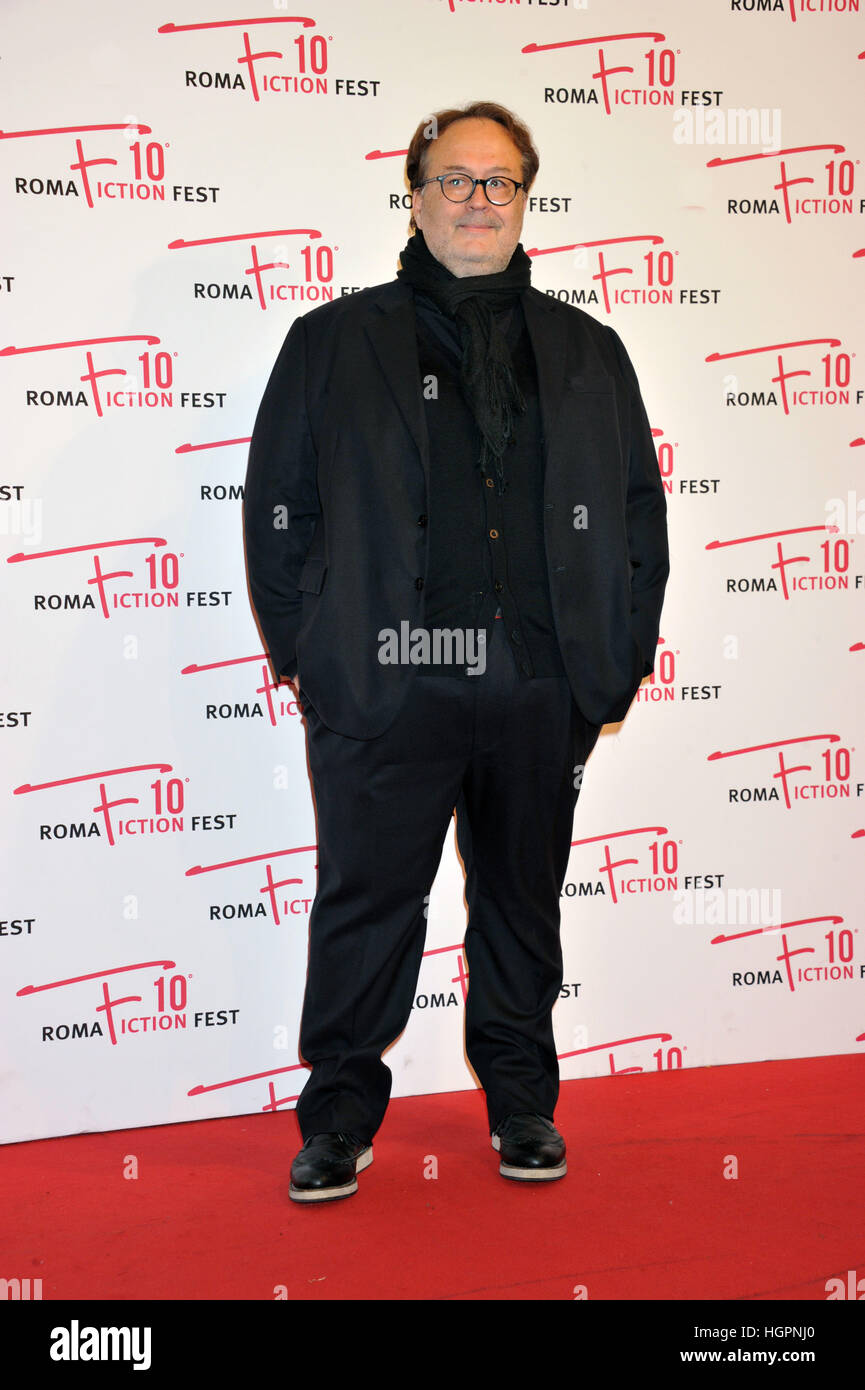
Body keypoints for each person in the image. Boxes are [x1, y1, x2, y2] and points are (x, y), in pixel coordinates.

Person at [243, 101, 669, 1203]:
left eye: (500, 182)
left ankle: (523, 1102)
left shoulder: (588, 350)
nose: (477, 201)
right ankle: (338, 1114)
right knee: (366, 902)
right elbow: (278, 507)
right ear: (416, 195)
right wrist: (311, 653)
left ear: (525, 199)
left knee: (525, 902)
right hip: (386, 679)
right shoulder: (334, 340)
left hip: (539, 683)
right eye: (455, 179)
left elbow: (636, 517)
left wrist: (611, 663)